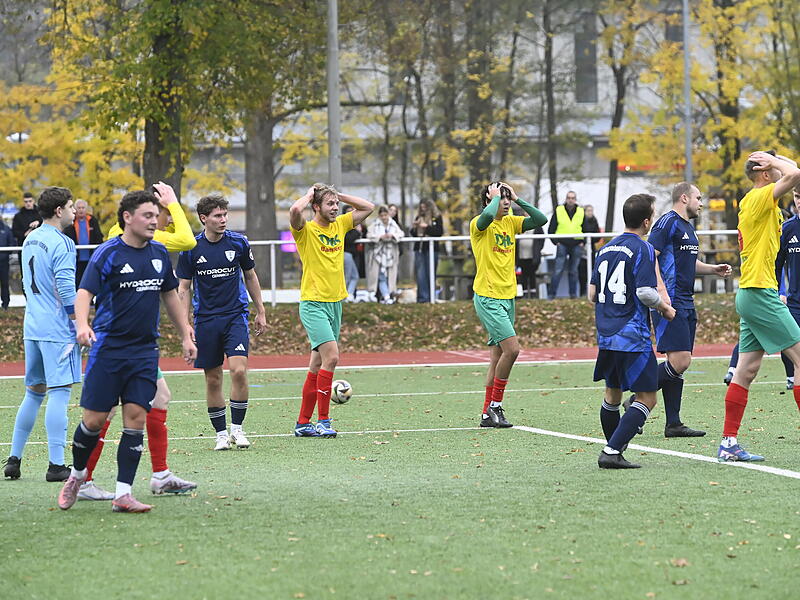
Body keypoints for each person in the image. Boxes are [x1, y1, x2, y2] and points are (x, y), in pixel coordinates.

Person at [57, 188, 197, 513]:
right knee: (92, 422)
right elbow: (83, 293)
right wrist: (82, 325)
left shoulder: (160, 254)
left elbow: (171, 297)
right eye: (148, 216)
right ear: (128, 218)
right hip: (108, 349)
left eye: (156, 215)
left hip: (144, 351)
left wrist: (186, 334)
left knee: (135, 417)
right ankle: (77, 475)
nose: (154, 221)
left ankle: (123, 493)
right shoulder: (107, 253)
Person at [626, 183, 732, 438]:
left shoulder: (687, 227)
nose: (701, 202)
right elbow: (651, 257)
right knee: (681, 361)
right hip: (671, 300)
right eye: (699, 197)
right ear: (684, 198)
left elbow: (686, 262)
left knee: (676, 364)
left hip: (686, 299)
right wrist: (661, 294)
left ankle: (673, 423)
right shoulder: (667, 223)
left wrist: (711, 268)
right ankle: (637, 398)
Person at [718, 151, 800, 462]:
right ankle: (728, 443)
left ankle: (728, 443)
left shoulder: (763, 201)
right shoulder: (758, 197)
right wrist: (773, 160)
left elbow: (792, 173)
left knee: (747, 370)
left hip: (752, 293)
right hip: (759, 292)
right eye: (772, 169)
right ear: (764, 174)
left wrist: (777, 159)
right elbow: (795, 175)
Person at [591, 194, 676, 469]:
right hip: (632, 334)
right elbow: (644, 292)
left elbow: (592, 294)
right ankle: (612, 450)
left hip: (606, 333)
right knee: (647, 397)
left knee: (613, 394)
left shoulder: (604, 249)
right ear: (647, 221)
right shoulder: (644, 248)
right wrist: (664, 308)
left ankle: (614, 448)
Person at [177, 194, 267, 451]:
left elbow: (250, 276)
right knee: (213, 378)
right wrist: (185, 325)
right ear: (204, 219)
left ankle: (237, 430)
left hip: (235, 316)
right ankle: (220, 434)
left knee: (239, 370)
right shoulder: (191, 248)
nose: (223, 220)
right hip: (206, 320)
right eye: (217, 216)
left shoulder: (239, 243)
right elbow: (183, 288)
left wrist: (260, 310)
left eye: (225, 215)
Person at [3, 187, 79, 482]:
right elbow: (65, 286)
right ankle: (56, 465)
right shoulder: (62, 242)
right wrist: (79, 321)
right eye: (71, 206)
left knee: (34, 393)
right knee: (60, 392)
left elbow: (25, 282)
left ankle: (14, 459)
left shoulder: (30, 238)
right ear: (59, 210)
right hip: (56, 328)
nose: (74, 211)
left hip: (32, 325)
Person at [289, 183, 374, 437]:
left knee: (317, 364)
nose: (335, 207)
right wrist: (309, 194)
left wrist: (338, 194)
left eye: (336, 204)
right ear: (316, 207)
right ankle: (323, 421)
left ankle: (303, 423)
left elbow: (368, 207)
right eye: (330, 204)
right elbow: (295, 209)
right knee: (332, 357)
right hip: (313, 303)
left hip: (335, 303)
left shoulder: (340, 224)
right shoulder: (306, 230)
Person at [471, 182, 547, 428]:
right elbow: (485, 217)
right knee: (512, 350)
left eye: (506, 198)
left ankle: (486, 414)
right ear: (488, 200)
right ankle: (495, 406)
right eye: (500, 198)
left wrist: (517, 198)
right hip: (488, 296)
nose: (505, 202)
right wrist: (494, 198)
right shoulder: (479, 224)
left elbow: (540, 219)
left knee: (497, 357)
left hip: (507, 296)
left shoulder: (511, 222)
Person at [725, 189, 800, 389]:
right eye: (797, 196)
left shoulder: (756, 206)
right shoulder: (781, 224)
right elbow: (776, 264)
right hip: (764, 293)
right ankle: (790, 377)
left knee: (746, 369)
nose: (798, 201)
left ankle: (733, 370)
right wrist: (780, 292)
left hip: (752, 292)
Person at [548, 191, 584, 299]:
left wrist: (583, 242)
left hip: (577, 244)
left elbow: (586, 227)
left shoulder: (581, 211)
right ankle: (551, 295)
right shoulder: (559, 210)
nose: (570, 200)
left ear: (575, 199)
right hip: (562, 243)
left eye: (573, 198)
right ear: (566, 199)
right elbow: (551, 228)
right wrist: (556, 242)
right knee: (558, 270)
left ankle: (573, 295)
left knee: (574, 271)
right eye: (569, 197)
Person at [63, 199, 104, 288]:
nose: (81, 210)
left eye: (83, 208)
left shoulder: (92, 220)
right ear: (75, 209)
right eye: (79, 208)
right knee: (77, 281)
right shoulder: (71, 222)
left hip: (91, 258)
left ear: (86, 209)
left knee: (91, 281)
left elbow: (98, 237)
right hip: (75, 259)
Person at [366, 205, 404, 303]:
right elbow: (369, 235)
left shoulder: (393, 223)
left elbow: (400, 234)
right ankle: (386, 296)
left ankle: (389, 295)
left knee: (390, 276)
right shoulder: (375, 224)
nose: (384, 217)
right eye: (381, 215)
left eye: (385, 215)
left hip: (390, 254)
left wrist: (392, 236)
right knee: (380, 275)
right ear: (379, 216)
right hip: (378, 253)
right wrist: (380, 237)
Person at [410, 200, 443, 303]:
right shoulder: (418, 217)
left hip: (432, 249)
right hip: (420, 249)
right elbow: (413, 234)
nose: (423, 209)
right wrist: (415, 227)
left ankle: (431, 297)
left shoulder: (437, 217)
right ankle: (422, 298)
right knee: (420, 274)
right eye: (421, 207)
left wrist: (427, 227)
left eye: (425, 207)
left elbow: (439, 232)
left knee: (430, 273)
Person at [12, 192, 41, 287]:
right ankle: (27, 298)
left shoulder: (41, 214)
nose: (28, 203)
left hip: (40, 248)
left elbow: (48, 225)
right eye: (26, 201)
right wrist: (24, 234)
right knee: (26, 274)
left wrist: (39, 223)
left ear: (33, 201)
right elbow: (14, 232)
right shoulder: (18, 216)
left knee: (40, 273)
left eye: (30, 201)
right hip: (24, 248)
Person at [578, 204, 601, 296]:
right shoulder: (581, 220)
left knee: (593, 271)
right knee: (582, 273)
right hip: (582, 249)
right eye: (588, 210)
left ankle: (594, 293)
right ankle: (582, 293)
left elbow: (597, 235)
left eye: (591, 210)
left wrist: (590, 240)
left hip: (591, 249)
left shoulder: (594, 221)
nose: (590, 212)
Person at [516, 225, 544, 298]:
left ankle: (533, 293)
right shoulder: (519, 224)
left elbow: (541, 239)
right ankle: (524, 292)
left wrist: (537, 250)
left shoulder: (537, 226)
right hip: (521, 255)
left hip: (533, 256)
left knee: (532, 274)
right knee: (523, 275)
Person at [343, 206, 363, 301]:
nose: (351, 213)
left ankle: (349, 294)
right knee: (347, 276)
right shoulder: (343, 224)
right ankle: (343, 296)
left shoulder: (355, 223)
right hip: (346, 253)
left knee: (355, 276)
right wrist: (357, 231)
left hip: (353, 254)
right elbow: (348, 239)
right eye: (348, 212)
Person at [0, 215, 15, 309]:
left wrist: (4, 255)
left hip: (3, 262)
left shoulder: (6, 229)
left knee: (5, 283)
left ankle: (5, 305)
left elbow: (12, 243)